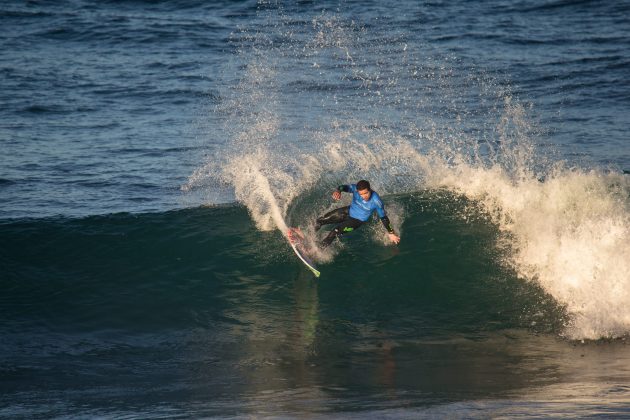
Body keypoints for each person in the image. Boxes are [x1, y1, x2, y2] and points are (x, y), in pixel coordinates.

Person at [315, 180, 400, 247]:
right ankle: (308, 236)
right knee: (321, 220)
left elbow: (384, 218)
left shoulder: (376, 201)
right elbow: (342, 187)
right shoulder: (355, 189)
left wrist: (391, 233)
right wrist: (338, 190)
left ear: (370, 189)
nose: (364, 196)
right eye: (361, 194)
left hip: (356, 221)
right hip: (348, 211)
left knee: (334, 231)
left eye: (366, 193)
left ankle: (318, 250)